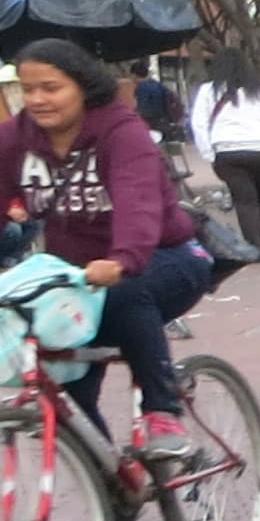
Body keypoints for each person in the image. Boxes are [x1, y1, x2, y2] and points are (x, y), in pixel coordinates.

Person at [0, 40, 219, 475]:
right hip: (76, 278)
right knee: (68, 393)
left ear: (82, 86)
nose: (38, 99)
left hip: (165, 257)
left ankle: (163, 414)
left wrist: (122, 260)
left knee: (125, 295)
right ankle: (113, 490)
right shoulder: (15, 138)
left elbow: (138, 204)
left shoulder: (121, 130)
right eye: (28, 89)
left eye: (51, 87)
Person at [194, 49, 260, 260]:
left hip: (228, 152)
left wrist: (210, 154)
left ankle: (256, 250)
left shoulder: (209, 91)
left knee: (246, 202)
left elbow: (198, 124)